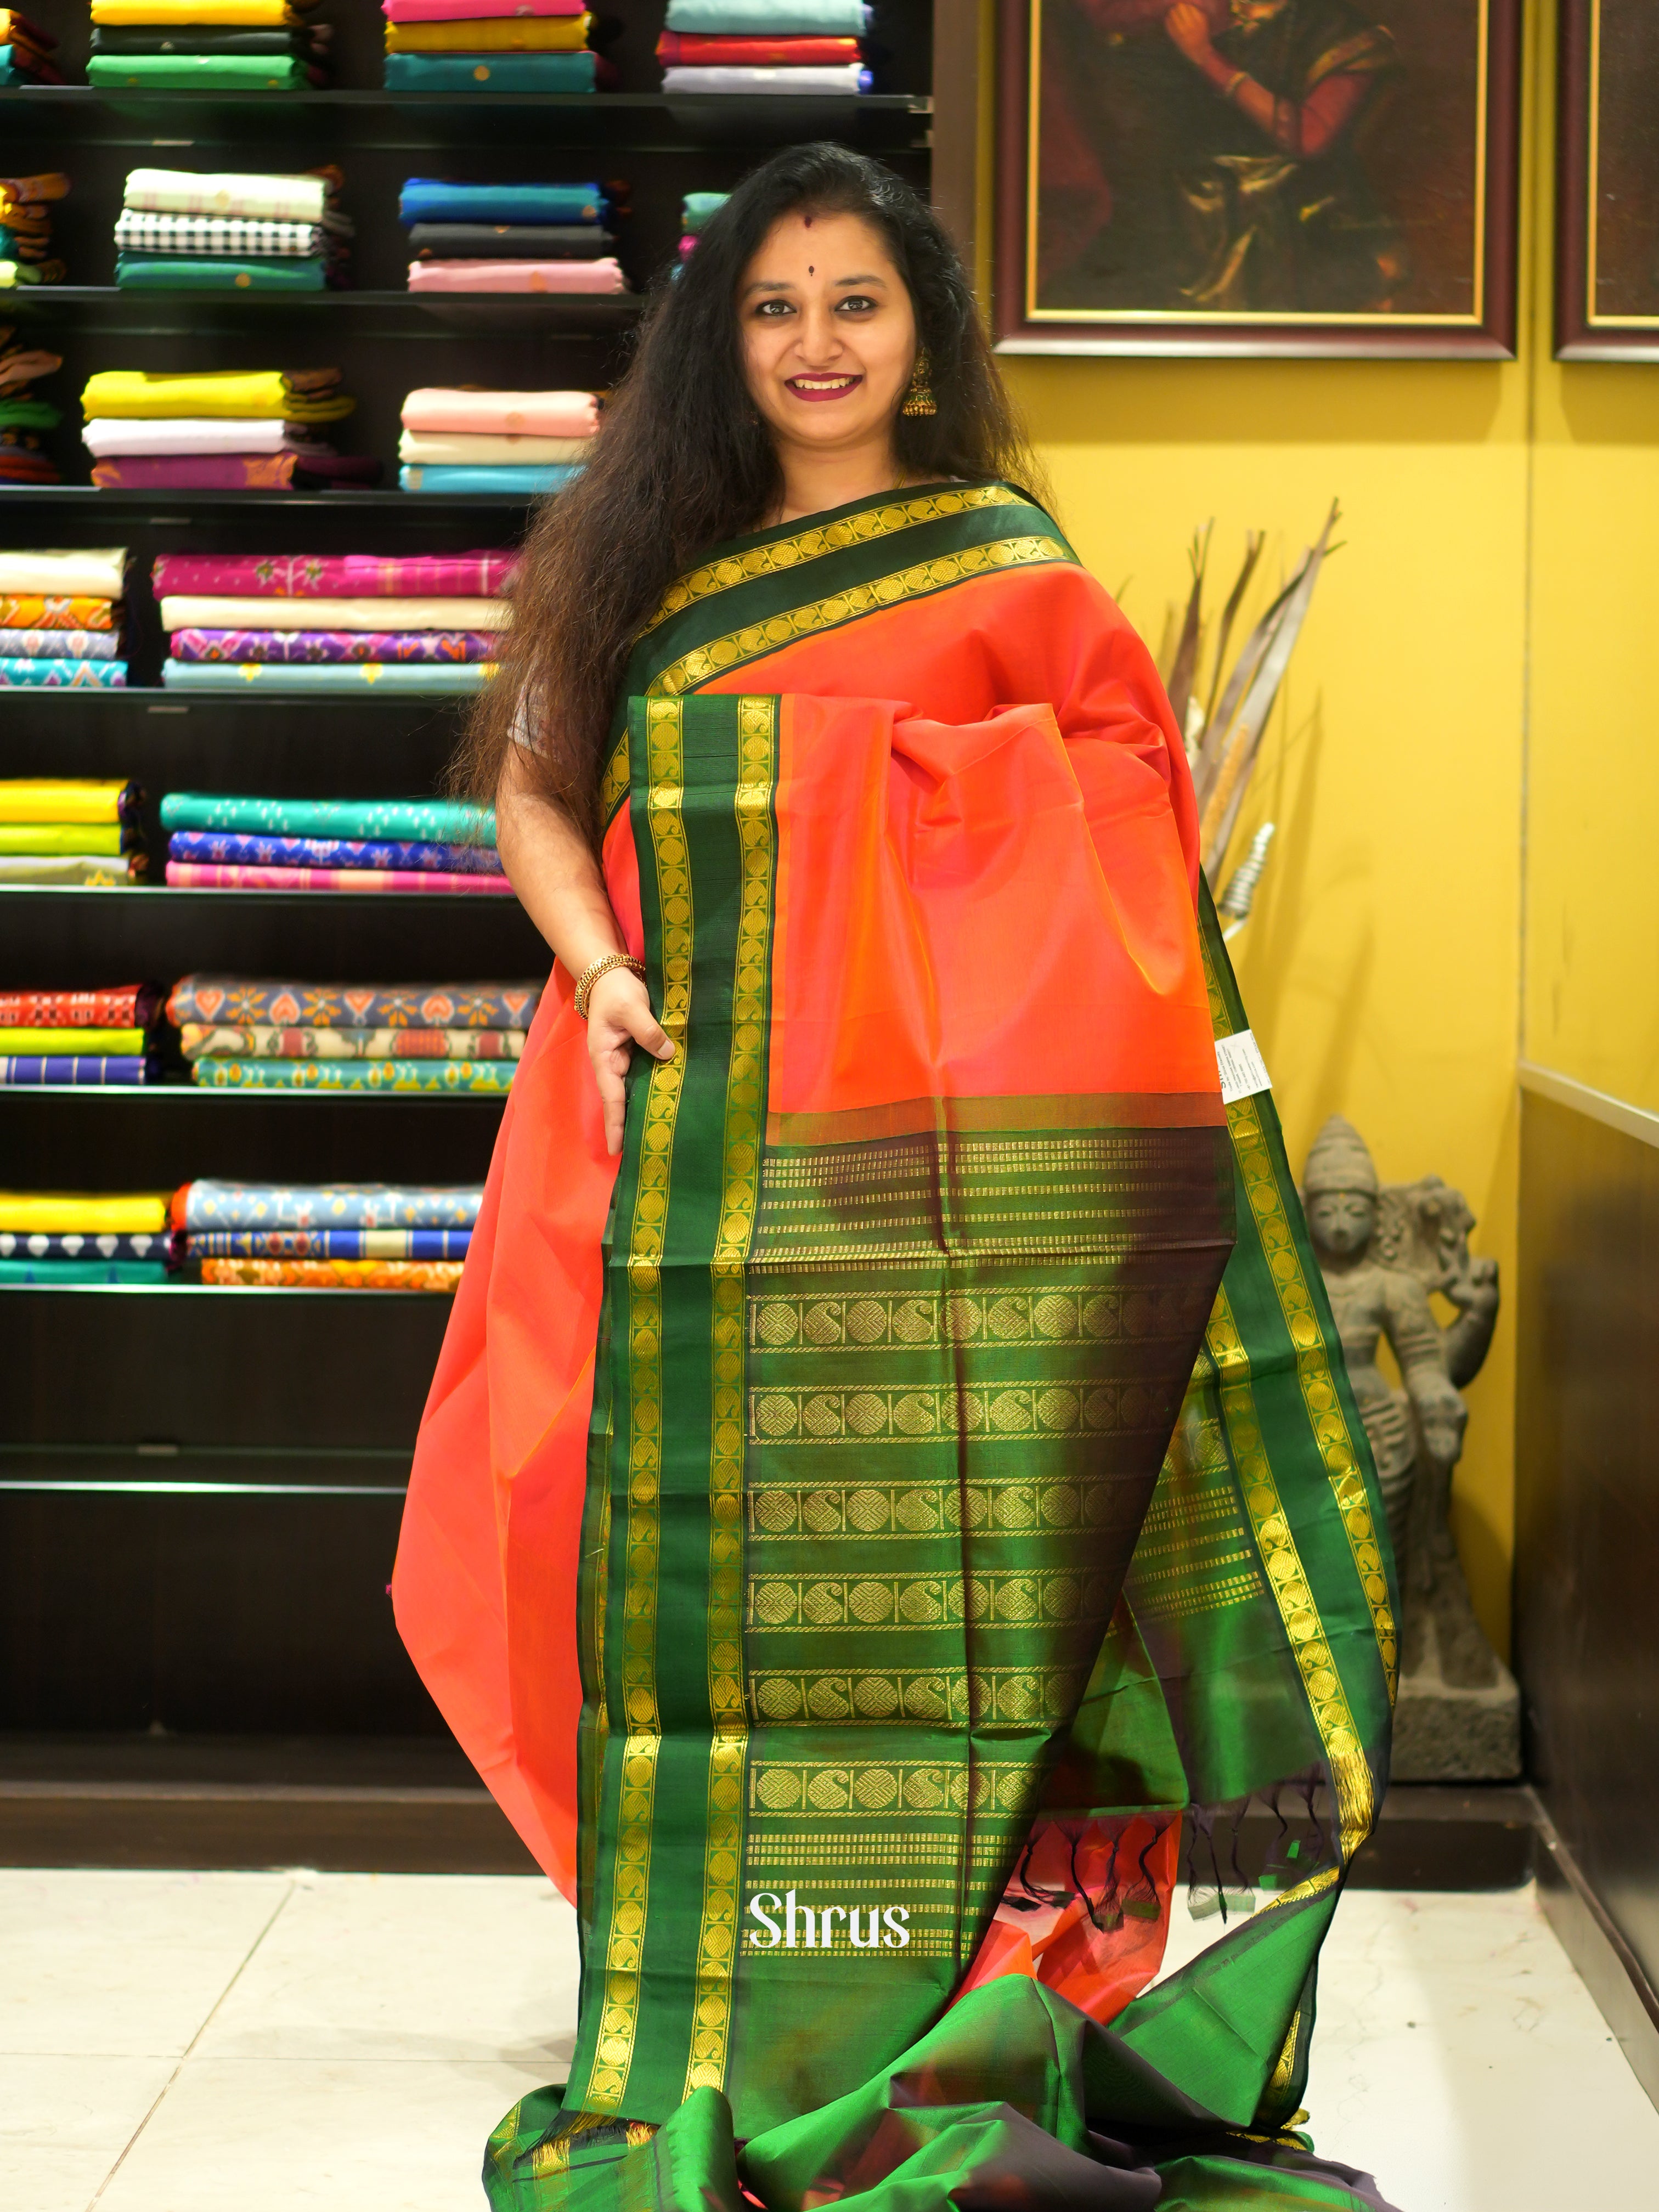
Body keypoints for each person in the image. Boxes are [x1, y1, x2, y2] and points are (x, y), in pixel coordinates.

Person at [393, 143, 1400, 2212]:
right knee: (600, 1551)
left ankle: (934, 1975)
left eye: (852, 300)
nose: (814, 343)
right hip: (671, 1141)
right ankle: (704, 1982)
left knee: (943, 1585)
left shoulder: (1005, 564)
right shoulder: (642, 555)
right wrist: (592, 966)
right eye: (772, 306)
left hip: (935, 1197)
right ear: (716, 337)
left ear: (920, 326)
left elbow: (1127, 830)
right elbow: (535, 791)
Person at [1042, 0, 1404, 314]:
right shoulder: (1195, 13)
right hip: (1179, 200)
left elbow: (1306, 138)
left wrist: (1205, 58)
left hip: (1288, 209)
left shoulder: (1341, 32)